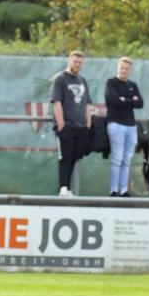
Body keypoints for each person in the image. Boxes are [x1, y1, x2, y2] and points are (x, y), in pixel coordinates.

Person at [52, 51, 93, 197]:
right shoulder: (61, 79)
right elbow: (56, 102)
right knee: (66, 157)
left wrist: (88, 122)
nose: (78, 65)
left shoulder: (82, 80)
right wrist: (61, 123)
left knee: (76, 155)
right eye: (75, 62)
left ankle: (67, 187)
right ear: (70, 61)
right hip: (67, 126)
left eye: (80, 62)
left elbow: (88, 103)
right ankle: (63, 187)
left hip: (81, 127)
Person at [105, 57, 144, 196]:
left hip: (130, 125)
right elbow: (114, 100)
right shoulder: (111, 83)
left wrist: (124, 100)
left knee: (127, 159)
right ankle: (114, 189)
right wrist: (130, 100)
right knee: (117, 158)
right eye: (122, 68)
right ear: (118, 67)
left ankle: (124, 189)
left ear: (130, 70)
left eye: (127, 68)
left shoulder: (132, 84)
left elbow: (140, 103)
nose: (124, 70)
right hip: (116, 124)